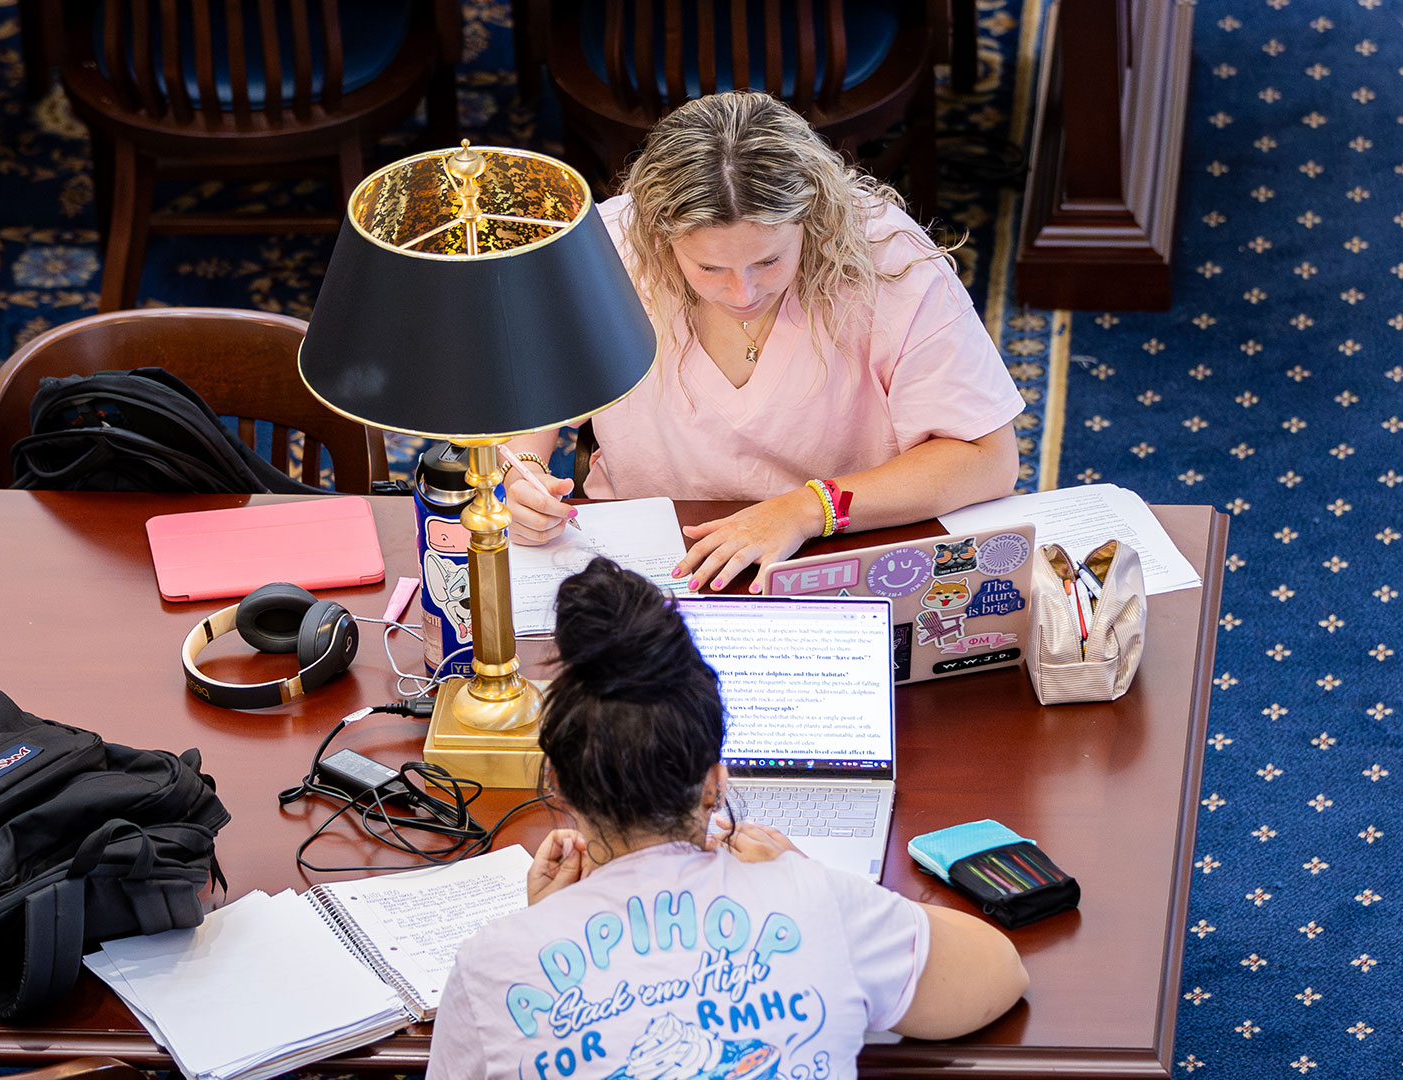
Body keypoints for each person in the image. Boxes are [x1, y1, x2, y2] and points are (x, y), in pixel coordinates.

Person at [425, 558, 1029, 1079]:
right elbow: (1000, 973)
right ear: (715, 782)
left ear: (557, 782)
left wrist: (545, 929)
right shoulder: (814, 900)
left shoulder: (491, 969)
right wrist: (805, 877)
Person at [504, 91, 1024, 594]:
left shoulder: (887, 259)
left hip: (844, 543)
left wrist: (806, 509)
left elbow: (985, 457)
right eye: (709, 267)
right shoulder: (607, 245)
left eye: (769, 261)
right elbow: (529, 394)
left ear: (813, 220)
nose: (742, 293)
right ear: (659, 236)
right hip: (653, 552)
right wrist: (522, 472)